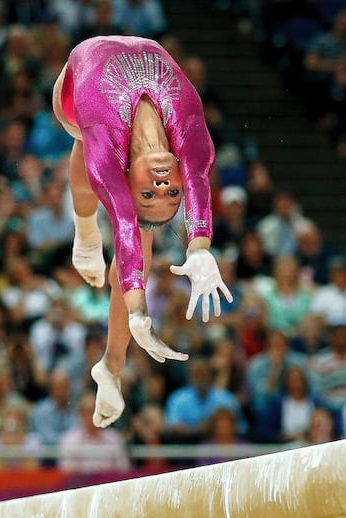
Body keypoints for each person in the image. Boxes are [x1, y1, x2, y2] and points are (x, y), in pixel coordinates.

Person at [52, 35, 233, 428]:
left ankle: (111, 367)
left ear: (127, 179)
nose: (163, 183)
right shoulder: (190, 139)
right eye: (171, 192)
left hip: (75, 92)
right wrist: (200, 249)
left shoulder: (109, 157)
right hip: (113, 65)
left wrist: (138, 312)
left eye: (150, 192)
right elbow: (199, 183)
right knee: (91, 151)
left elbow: (126, 230)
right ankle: (85, 234)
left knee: (100, 173)